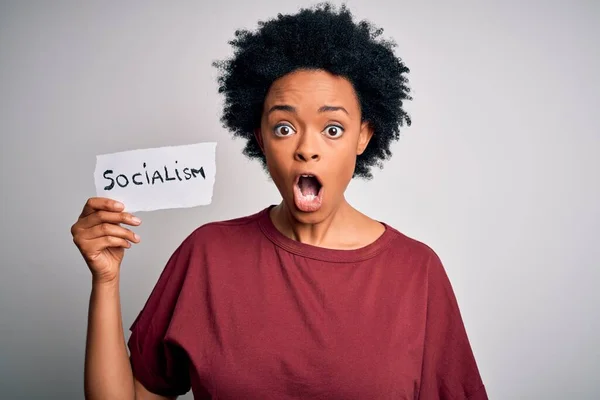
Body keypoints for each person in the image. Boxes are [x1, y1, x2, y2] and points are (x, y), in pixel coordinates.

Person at [71, 3, 488, 399]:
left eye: (333, 129)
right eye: (284, 128)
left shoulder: (416, 270)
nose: (307, 148)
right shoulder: (207, 255)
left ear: (363, 136)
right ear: (260, 140)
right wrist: (105, 282)